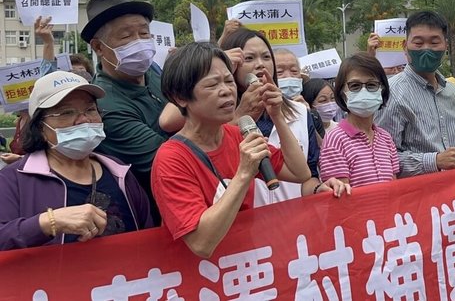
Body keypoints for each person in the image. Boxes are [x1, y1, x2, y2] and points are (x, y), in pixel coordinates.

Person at [151, 42, 335, 258]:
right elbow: (201, 243)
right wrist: (244, 173)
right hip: (201, 283)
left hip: (246, 270)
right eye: (212, 85)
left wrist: (277, 115)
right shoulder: (171, 158)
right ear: (181, 97)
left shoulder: (238, 135)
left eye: (229, 81)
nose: (227, 91)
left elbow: (299, 173)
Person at [0, 71, 152, 251]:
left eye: (90, 109)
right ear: (40, 127)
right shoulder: (13, 180)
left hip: (124, 278)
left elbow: (148, 235)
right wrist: (48, 223)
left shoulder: (119, 172)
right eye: (66, 112)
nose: (83, 120)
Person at [80, 0, 169, 222]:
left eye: (144, 33)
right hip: (160, 218)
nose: (140, 43)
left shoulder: (156, 73)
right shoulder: (104, 105)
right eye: (127, 36)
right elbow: (168, 162)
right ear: (99, 47)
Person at [219, 28, 326, 202]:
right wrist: (240, 115)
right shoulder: (218, 117)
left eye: (266, 57)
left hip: (294, 223)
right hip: (244, 223)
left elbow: (308, 175)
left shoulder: (300, 112)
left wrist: (317, 188)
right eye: (249, 58)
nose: (260, 64)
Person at [375, 11, 455, 177]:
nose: (426, 49)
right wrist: (434, 161)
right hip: (418, 195)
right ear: (405, 47)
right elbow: (383, 158)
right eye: (418, 43)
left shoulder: (453, 91)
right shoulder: (391, 93)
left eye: (434, 42)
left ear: (445, 46)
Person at [319, 53, 398, 188]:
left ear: (382, 89)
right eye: (354, 85)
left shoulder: (386, 138)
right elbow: (341, 194)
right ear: (342, 92)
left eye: (372, 85)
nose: (364, 91)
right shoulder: (335, 139)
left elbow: (394, 186)